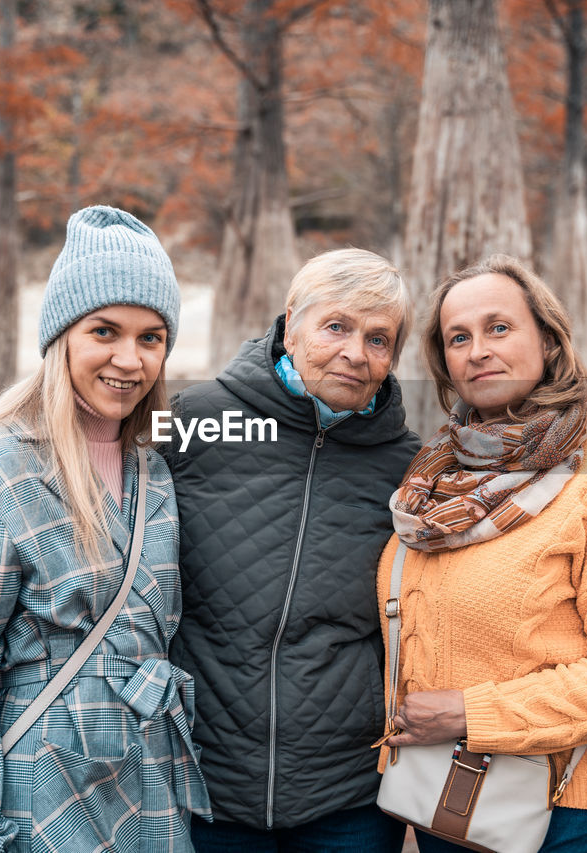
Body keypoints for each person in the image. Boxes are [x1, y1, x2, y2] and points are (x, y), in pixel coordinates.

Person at [0, 206, 210, 851]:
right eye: (105, 331)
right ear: (62, 337)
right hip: (40, 799)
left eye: (152, 337)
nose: (129, 360)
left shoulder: (152, 471)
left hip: (151, 794)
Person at [377, 254, 587, 853]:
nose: (478, 350)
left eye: (499, 327)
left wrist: (468, 714)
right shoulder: (436, 475)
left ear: (547, 338)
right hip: (449, 798)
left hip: (569, 813)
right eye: (458, 337)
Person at [164, 248, 419, 852]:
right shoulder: (195, 419)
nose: (356, 353)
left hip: (350, 794)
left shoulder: (407, 464)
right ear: (291, 322)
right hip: (205, 783)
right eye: (336, 326)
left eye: (379, 339)